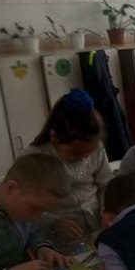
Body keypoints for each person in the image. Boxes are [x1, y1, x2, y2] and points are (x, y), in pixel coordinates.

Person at [24, 88, 112, 242]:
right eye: (76, 153)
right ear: (54, 136)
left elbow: (106, 184)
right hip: (52, 235)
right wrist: (52, 221)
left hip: (95, 225)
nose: (83, 158)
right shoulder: (34, 158)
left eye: (88, 153)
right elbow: (23, 202)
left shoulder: (97, 149)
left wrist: (106, 210)